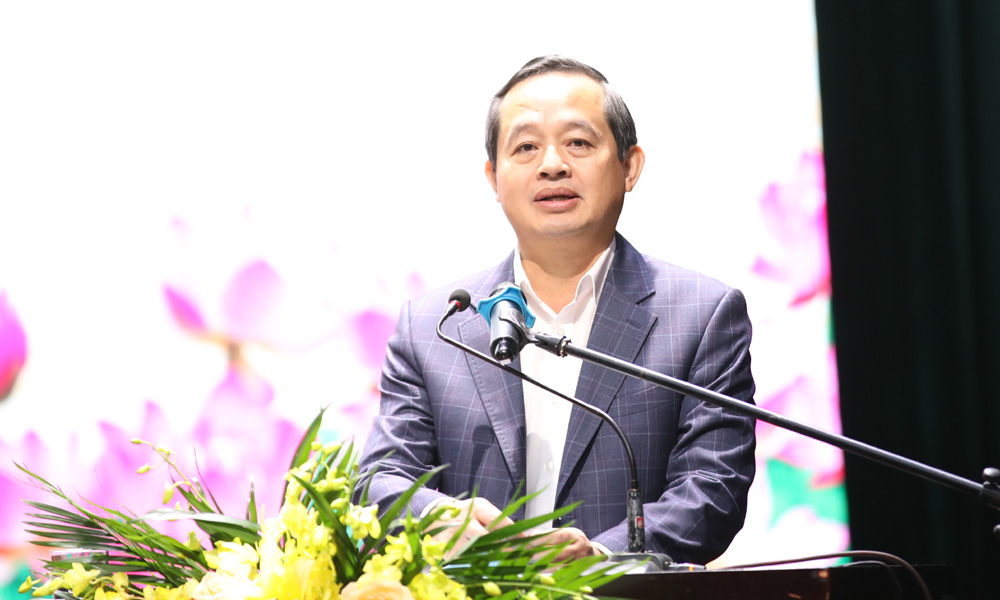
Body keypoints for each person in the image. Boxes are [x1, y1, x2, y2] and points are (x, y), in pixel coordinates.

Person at [356, 55, 755, 565]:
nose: (551, 165)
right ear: (494, 178)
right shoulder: (435, 326)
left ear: (629, 166)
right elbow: (380, 480)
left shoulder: (702, 315)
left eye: (578, 143)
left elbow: (713, 487)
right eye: (525, 147)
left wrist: (601, 557)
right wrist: (437, 516)